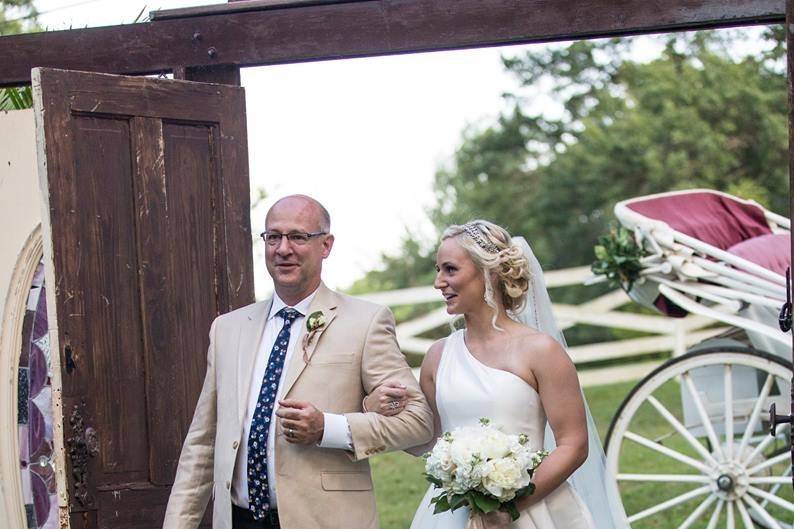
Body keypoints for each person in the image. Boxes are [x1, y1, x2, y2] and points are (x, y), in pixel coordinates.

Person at [163, 194, 434, 529]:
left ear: (326, 245)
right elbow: (203, 442)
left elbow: (418, 422)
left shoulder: (366, 322)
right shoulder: (227, 329)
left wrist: (329, 428)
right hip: (238, 520)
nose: (283, 248)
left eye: (298, 237)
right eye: (273, 237)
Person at [365, 220, 628, 529]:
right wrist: (379, 410)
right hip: (455, 514)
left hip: (535, 509)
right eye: (437, 270)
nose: (438, 282)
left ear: (489, 272)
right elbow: (427, 440)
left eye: (450, 269)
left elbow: (573, 444)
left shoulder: (541, 351)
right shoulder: (438, 356)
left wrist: (510, 507)